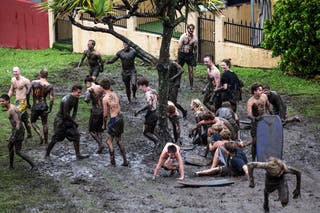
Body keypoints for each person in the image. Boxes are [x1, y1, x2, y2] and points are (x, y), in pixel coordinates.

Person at [45, 85, 89, 160]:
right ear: (73, 91)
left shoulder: (76, 98)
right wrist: (74, 122)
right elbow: (65, 114)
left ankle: (78, 155)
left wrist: (73, 120)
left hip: (68, 120)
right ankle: (47, 154)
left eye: (80, 93)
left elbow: (75, 110)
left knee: (76, 135)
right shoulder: (67, 99)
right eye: (78, 92)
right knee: (55, 138)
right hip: (60, 121)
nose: (79, 94)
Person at [0, 94, 35, 170]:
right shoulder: (10, 107)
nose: (1, 103)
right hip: (15, 130)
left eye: (3, 101)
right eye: (0, 101)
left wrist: (13, 136)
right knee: (10, 146)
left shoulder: (11, 109)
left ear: (8, 101)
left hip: (18, 131)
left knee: (18, 151)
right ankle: (11, 166)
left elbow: (18, 122)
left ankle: (33, 165)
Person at [100, 79, 128, 166]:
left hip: (114, 120)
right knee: (119, 139)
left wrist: (104, 124)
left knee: (108, 140)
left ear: (102, 87)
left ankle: (112, 162)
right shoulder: (115, 94)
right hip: (120, 118)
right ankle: (125, 161)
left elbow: (105, 115)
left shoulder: (105, 99)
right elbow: (118, 105)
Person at [27, 68, 54, 144]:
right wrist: (50, 109)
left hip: (35, 106)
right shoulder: (49, 86)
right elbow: (51, 99)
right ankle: (46, 141)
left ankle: (40, 134)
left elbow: (27, 93)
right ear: (47, 76)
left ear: (40, 74)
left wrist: (28, 103)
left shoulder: (33, 83)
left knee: (33, 122)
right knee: (45, 123)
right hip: (44, 106)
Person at [247, 83, 273, 161]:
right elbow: (249, 114)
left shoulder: (264, 97)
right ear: (254, 91)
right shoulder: (251, 101)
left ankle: (265, 156)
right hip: (255, 122)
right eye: (260, 90)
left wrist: (273, 115)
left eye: (262, 90)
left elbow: (268, 106)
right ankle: (253, 160)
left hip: (264, 120)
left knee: (266, 139)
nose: (262, 92)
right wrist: (254, 118)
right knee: (254, 142)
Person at [8, 66, 32, 139]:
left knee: (14, 116)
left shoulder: (25, 80)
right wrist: (7, 98)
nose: (15, 73)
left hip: (23, 101)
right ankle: (29, 133)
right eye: (14, 71)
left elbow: (31, 91)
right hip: (17, 102)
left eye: (16, 71)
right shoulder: (13, 80)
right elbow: (11, 90)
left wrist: (29, 102)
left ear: (19, 71)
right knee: (25, 119)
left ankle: (14, 135)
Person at [135, 78, 159, 146]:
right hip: (155, 112)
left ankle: (157, 143)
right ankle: (157, 143)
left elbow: (149, 104)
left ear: (144, 85)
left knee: (146, 132)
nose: (139, 89)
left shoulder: (147, 93)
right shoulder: (153, 91)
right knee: (152, 131)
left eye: (139, 86)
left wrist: (139, 110)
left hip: (151, 114)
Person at [84, 76, 104, 154]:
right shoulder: (100, 87)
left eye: (86, 84)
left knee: (91, 130)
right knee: (99, 130)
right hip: (102, 110)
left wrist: (90, 94)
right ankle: (99, 148)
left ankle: (100, 144)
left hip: (95, 111)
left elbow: (86, 100)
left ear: (88, 82)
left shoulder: (89, 89)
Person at [178, 24, 198, 90]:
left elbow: (195, 49)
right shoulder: (183, 36)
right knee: (179, 69)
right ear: (187, 29)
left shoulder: (195, 38)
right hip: (182, 54)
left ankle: (191, 86)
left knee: (191, 71)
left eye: (192, 29)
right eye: (190, 28)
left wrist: (195, 59)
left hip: (190, 55)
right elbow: (179, 47)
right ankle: (177, 84)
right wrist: (179, 56)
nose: (191, 30)